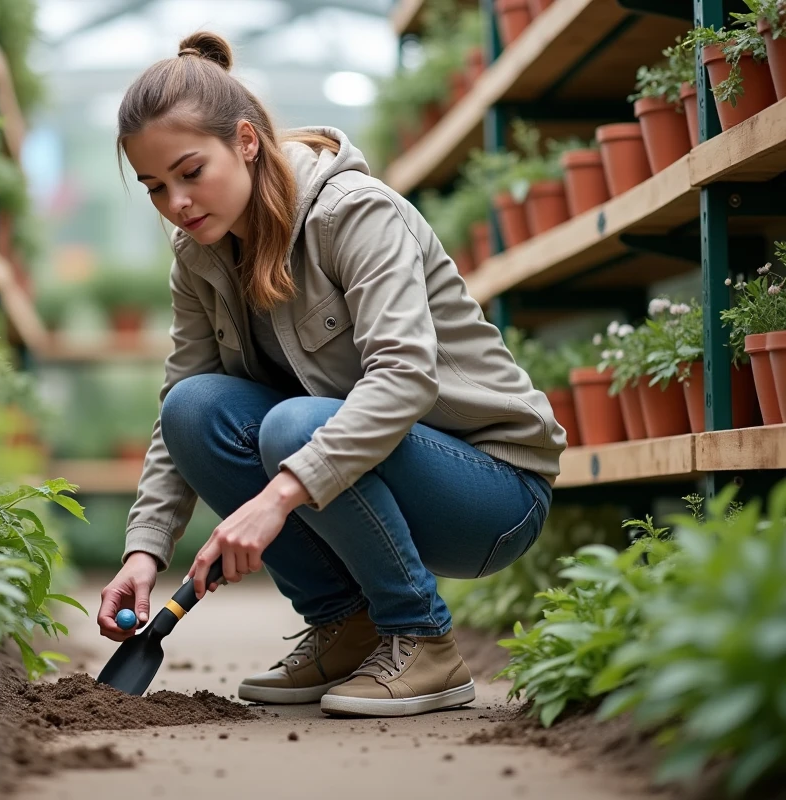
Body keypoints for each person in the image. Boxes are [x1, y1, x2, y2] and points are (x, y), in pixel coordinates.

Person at [95, 31, 565, 718]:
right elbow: (180, 414)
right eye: (155, 186)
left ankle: (422, 639)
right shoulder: (198, 258)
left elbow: (405, 377)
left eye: (191, 172)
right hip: (357, 468)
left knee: (294, 425)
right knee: (193, 409)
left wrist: (280, 494)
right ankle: (348, 626)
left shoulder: (355, 213)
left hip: (492, 490)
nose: (176, 202)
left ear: (247, 142)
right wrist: (145, 552)